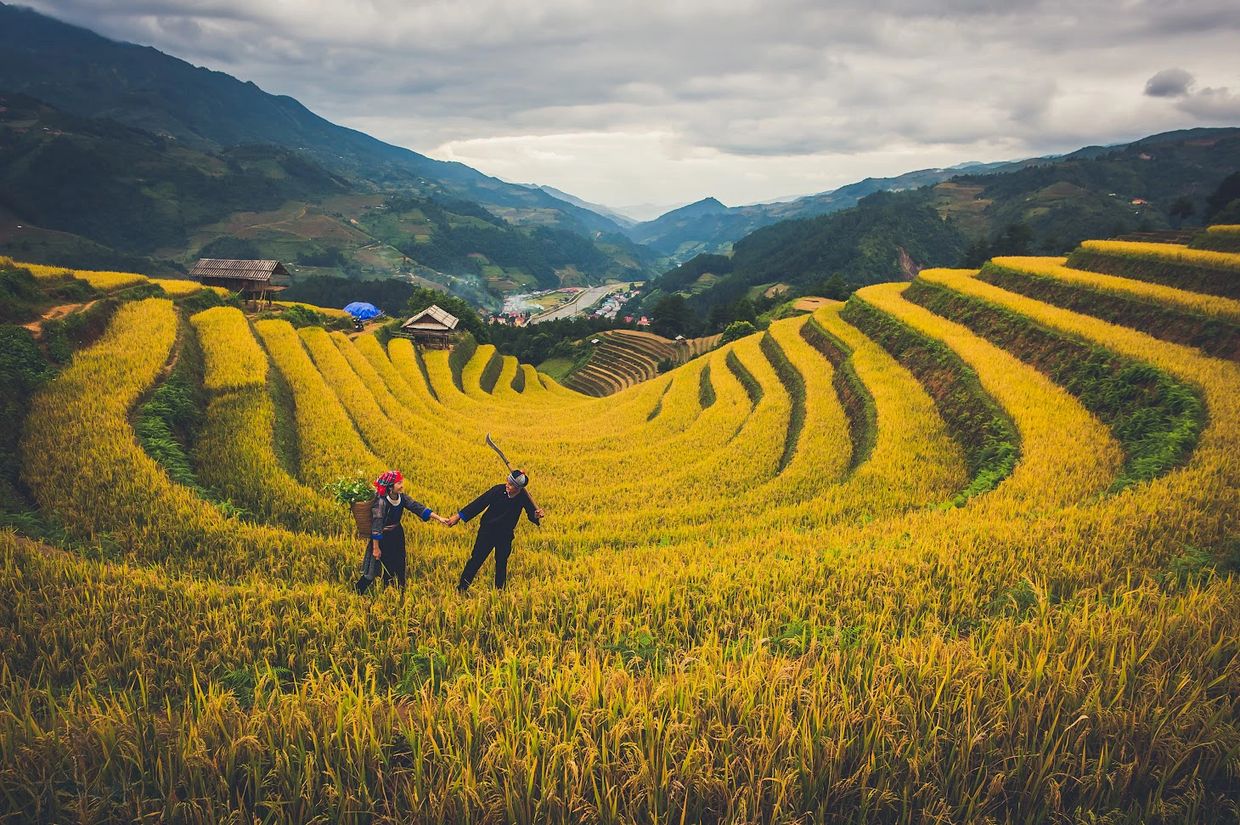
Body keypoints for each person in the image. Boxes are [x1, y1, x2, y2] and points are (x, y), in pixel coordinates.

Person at [450, 469, 546, 592]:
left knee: (501, 563)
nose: (507, 485)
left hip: (505, 535)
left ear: (518, 489)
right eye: (508, 481)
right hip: (487, 532)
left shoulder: (524, 497)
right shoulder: (498, 490)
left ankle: (499, 591)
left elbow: (531, 514)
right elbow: (479, 504)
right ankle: (462, 588)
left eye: (511, 485)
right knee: (476, 560)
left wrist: (536, 515)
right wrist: (458, 517)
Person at [356, 470, 450, 596]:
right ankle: (360, 591)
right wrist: (376, 548)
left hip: (397, 534)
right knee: (377, 568)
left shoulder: (402, 498)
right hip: (383, 538)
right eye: (399, 483)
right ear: (390, 487)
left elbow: (417, 507)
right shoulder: (381, 502)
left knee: (399, 563)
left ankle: (398, 592)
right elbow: (376, 527)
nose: (402, 486)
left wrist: (439, 518)